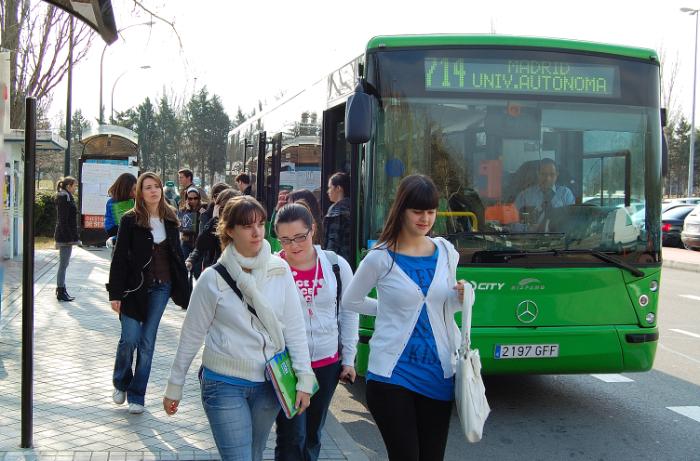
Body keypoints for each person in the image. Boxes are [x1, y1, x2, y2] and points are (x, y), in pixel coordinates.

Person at [163, 195, 315, 461]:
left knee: (255, 454)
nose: (256, 232)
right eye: (247, 226)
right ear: (229, 230)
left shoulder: (280, 269)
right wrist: (175, 385)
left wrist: (304, 377)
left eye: (260, 223)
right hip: (223, 382)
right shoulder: (213, 279)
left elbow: (294, 327)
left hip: (269, 383)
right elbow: (191, 335)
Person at [343, 174, 467, 461]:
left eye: (431, 211)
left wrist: (460, 299)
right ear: (401, 210)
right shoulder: (379, 258)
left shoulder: (447, 252)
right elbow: (351, 300)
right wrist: (388, 309)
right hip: (392, 375)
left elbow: (443, 306)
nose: (425, 218)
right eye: (418, 211)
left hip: (439, 373)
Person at [273, 202, 363, 461]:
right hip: (288, 364)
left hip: (327, 362)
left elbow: (348, 312)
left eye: (301, 237)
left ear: (313, 230)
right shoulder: (273, 269)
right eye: (285, 240)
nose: (294, 246)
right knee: (291, 436)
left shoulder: (335, 265)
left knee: (313, 434)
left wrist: (348, 358)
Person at [108, 172, 191, 415]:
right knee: (129, 339)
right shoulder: (130, 220)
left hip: (161, 287)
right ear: (139, 192)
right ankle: (121, 381)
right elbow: (120, 258)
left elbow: (176, 254)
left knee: (147, 342)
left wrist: (183, 285)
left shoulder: (171, 219)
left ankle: (137, 394)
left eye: (156, 186)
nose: (154, 191)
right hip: (134, 288)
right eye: (148, 187)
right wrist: (115, 293)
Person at [186, 188, 240, 274]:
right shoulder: (210, 218)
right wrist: (215, 220)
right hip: (215, 270)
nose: (227, 212)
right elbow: (201, 245)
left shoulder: (243, 226)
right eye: (223, 208)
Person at [514, 158, 574, 230]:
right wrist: (529, 229)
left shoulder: (565, 194)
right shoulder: (525, 196)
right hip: (530, 239)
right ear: (538, 173)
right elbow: (514, 222)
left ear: (557, 174)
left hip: (559, 238)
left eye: (552, 174)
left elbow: (572, 221)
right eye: (543, 174)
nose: (547, 178)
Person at [54, 176, 79, 302]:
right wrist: (69, 237)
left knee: (65, 263)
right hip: (64, 236)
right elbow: (63, 220)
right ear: (68, 186)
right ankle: (60, 290)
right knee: (63, 264)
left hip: (66, 235)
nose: (75, 188)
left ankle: (62, 289)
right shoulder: (64, 197)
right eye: (74, 186)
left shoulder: (67, 196)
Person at [179, 187, 207, 278]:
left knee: (197, 272)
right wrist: (188, 212)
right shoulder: (183, 211)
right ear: (186, 199)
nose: (193, 201)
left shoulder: (204, 208)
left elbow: (205, 225)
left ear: (199, 198)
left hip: (198, 244)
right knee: (184, 271)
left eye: (195, 198)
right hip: (186, 243)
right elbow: (185, 228)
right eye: (190, 198)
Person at [324, 172, 352, 263]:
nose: (328, 191)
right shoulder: (354, 207)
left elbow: (333, 241)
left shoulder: (336, 211)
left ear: (339, 188)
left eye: (330, 187)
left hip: (338, 261)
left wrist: (328, 263)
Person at [104, 173, 137, 248]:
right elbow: (109, 228)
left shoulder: (138, 201)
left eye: (135, 189)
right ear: (123, 189)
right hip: (120, 244)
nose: (134, 193)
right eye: (130, 190)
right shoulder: (112, 202)